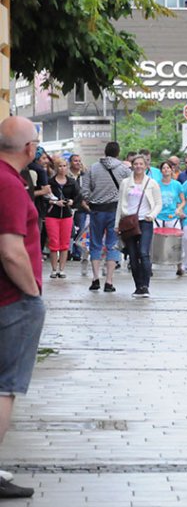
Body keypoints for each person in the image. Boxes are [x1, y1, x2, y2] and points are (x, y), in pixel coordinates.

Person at [0, 117, 47, 500]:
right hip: (12, 299)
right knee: (5, 388)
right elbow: (11, 250)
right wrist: (32, 295)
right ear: (29, 149)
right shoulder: (9, 184)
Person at [81, 141, 131, 293]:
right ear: (118, 153)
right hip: (115, 211)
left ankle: (95, 278)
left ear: (105, 152)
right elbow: (130, 189)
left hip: (96, 210)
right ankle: (109, 281)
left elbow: (84, 191)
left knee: (95, 243)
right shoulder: (124, 170)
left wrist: (92, 198)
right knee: (112, 244)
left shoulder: (93, 168)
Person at [115, 155, 162, 297]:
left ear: (146, 166)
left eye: (141, 164)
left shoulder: (152, 183)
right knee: (133, 255)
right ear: (132, 166)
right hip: (129, 222)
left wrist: (152, 215)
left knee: (143, 252)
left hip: (145, 221)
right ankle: (138, 286)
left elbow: (158, 203)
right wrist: (117, 224)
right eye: (136, 164)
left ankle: (145, 286)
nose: (138, 166)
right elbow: (120, 204)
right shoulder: (125, 183)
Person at [46, 157, 81, 279]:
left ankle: (62, 269)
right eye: (60, 166)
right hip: (52, 215)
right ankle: (54, 269)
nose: (62, 168)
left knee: (65, 243)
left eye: (64, 166)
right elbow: (45, 198)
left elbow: (78, 196)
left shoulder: (72, 182)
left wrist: (71, 201)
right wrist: (55, 202)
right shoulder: (50, 182)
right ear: (56, 168)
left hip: (67, 215)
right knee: (53, 242)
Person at [156, 161, 187, 276]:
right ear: (161, 171)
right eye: (163, 168)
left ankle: (179, 266)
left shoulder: (177, 185)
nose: (166, 170)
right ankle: (150, 264)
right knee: (154, 241)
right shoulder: (156, 184)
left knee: (177, 241)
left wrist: (179, 209)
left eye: (168, 168)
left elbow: (183, 201)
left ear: (171, 170)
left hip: (172, 216)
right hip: (158, 216)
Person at [67, 154, 89, 267]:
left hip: (81, 207)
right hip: (68, 207)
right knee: (69, 231)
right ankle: (68, 251)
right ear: (70, 162)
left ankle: (77, 252)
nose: (78, 163)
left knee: (80, 229)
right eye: (75, 161)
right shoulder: (66, 175)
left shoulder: (84, 175)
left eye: (79, 161)